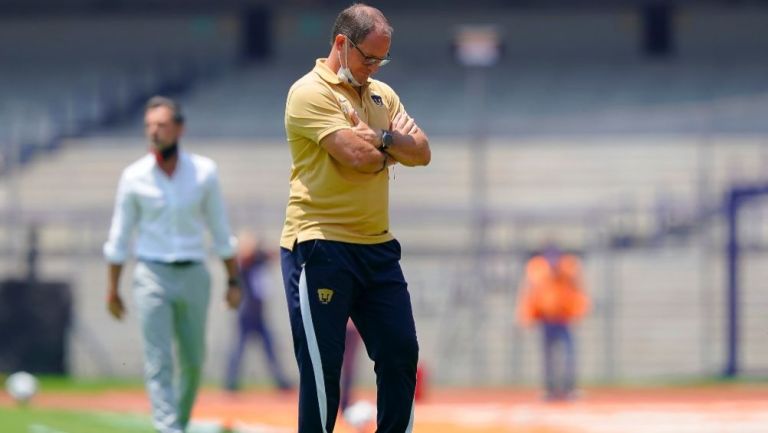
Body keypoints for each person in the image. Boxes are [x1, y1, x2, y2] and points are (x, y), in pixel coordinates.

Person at [280, 4, 431, 432]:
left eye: (382, 59)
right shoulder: (309, 92)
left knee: (401, 353)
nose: (374, 67)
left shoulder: (383, 94)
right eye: (369, 57)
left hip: (377, 247)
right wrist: (390, 149)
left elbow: (422, 151)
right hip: (321, 245)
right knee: (323, 372)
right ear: (341, 45)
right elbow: (357, 157)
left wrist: (382, 137)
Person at [103, 96, 241, 433]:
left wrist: (233, 281)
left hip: (194, 272)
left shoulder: (204, 172)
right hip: (151, 273)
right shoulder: (133, 176)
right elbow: (119, 237)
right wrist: (113, 289)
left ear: (179, 128)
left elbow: (220, 231)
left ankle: (177, 423)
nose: (154, 132)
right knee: (159, 360)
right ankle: (169, 429)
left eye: (162, 125)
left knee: (193, 360)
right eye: (149, 126)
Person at [516, 243, 590, 401]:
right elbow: (531, 293)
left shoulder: (568, 268)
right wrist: (527, 315)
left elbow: (578, 288)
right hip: (546, 319)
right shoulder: (537, 270)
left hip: (563, 319)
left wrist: (579, 310)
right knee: (548, 357)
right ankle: (550, 389)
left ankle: (568, 388)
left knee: (568, 355)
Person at [224, 230, 292, 392]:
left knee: (270, 349)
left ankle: (281, 381)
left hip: (259, 315)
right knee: (238, 350)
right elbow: (244, 256)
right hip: (246, 314)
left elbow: (273, 254)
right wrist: (249, 246)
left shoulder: (259, 260)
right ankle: (230, 382)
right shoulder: (243, 264)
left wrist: (260, 245)